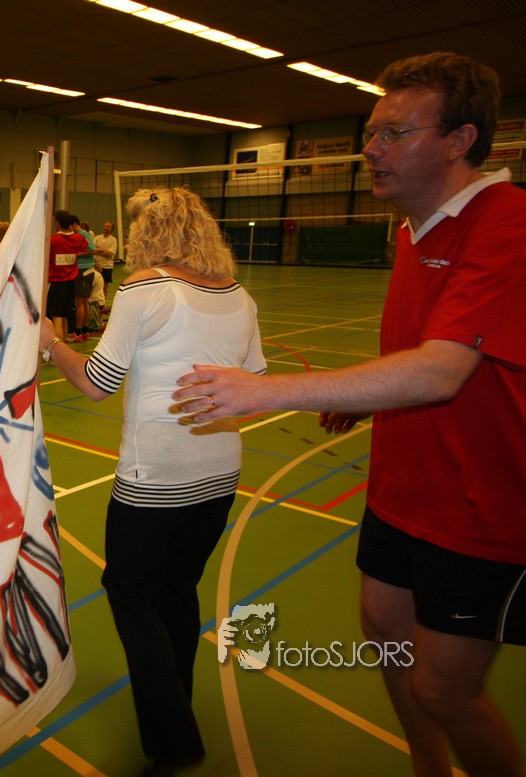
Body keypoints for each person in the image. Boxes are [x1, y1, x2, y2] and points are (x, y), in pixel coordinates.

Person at [172, 52, 525, 777]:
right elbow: (424, 349)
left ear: (459, 141)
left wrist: (266, 392)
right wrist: (357, 402)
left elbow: (442, 368)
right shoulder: (411, 228)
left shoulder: (507, 224)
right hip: (401, 491)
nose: (372, 148)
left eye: (395, 133)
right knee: (385, 637)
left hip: (480, 510)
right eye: (371, 132)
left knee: (443, 687)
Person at [40, 187, 266, 777]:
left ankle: (173, 737)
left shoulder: (143, 289)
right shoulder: (239, 296)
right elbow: (254, 385)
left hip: (155, 477)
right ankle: (176, 711)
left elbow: (97, 382)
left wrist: (50, 345)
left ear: (149, 233)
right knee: (177, 591)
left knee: (131, 594)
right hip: (220, 472)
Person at [47, 209, 88, 343]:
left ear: (57, 223)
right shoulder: (78, 238)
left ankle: (57, 350)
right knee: (64, 317)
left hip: (56, 283)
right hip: (71, 283)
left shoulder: (53, 239)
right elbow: (85, 247)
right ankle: (63, 346)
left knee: (57, 319)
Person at [70, 214, 98, 342]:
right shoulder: (80, 234)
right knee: (85, 302)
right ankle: (85, 331)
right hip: (85, 270)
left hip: (83, 270)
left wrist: (77, 255)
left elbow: (93, 250)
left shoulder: (82, 234)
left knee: (80, 303)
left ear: (74, 224)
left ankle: (78, 332)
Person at [95, 220, 118, 294]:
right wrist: (104, 250)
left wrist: (98, 251)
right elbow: (93, 249)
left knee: (104, 286)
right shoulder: (97, 238)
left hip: (107, 266)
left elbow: (110, 253)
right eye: (105, 226)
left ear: (111, 229)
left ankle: (103, 301)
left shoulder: (113, 240)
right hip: (96, 266)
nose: (105, 228)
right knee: (95, 285)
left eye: (108, 227)